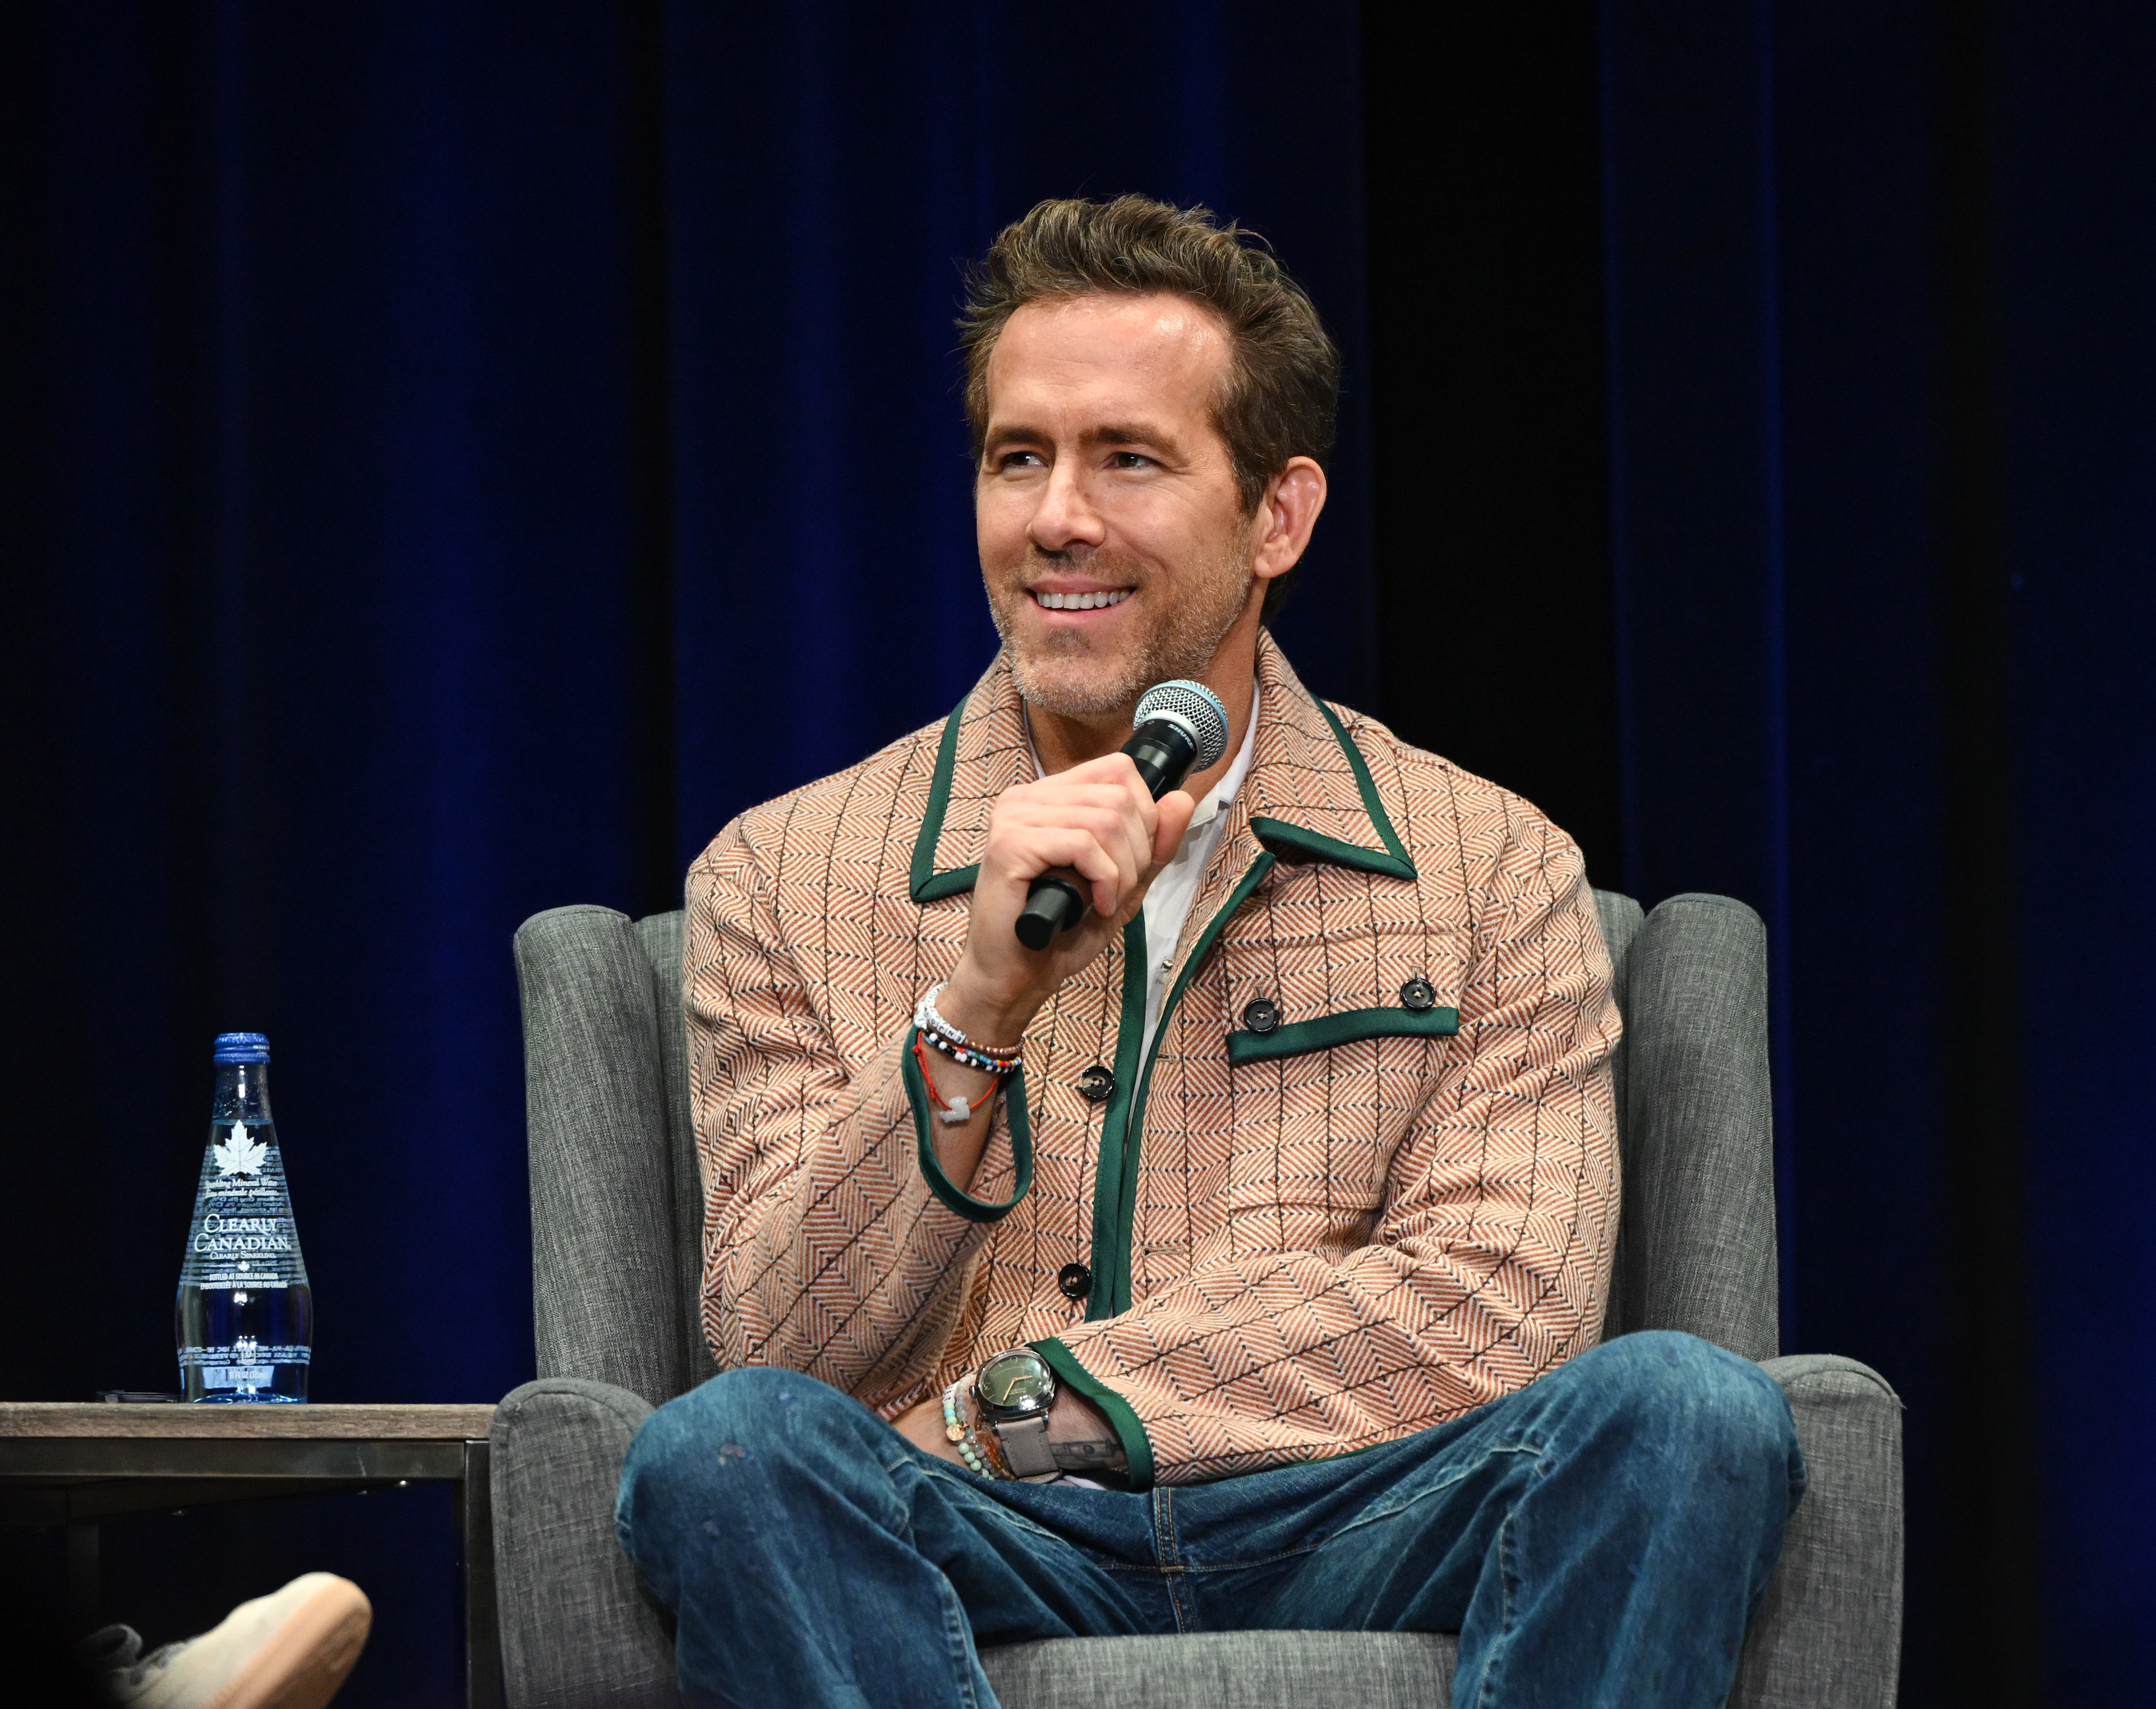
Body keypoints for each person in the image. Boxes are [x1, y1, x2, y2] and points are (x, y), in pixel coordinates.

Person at [617, 195, 1803, 1708]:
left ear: (1277, 517)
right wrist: (978, 1005)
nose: (1056, 517)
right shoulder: (784, 872)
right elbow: (774, 1347)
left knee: (1690, 1412)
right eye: (1017, 458)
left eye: (1129, 458)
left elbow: (1500, 1304)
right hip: (971, 1534)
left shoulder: (1490, 862)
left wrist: (1035, 1408)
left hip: (1355, 1508)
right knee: (722, 1458)